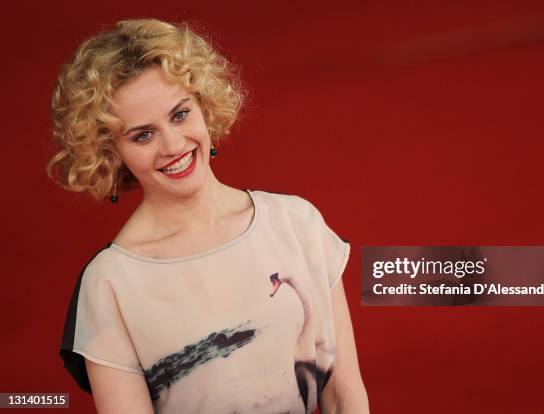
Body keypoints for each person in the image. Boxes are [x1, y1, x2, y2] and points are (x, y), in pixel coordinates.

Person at [47, 18, 369, 414]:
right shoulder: (110, 283)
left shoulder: (296, 223)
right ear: (111, 152)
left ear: (204, 105)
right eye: (142, 135)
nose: (173, 144)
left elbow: (344, 396)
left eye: (180, 115)